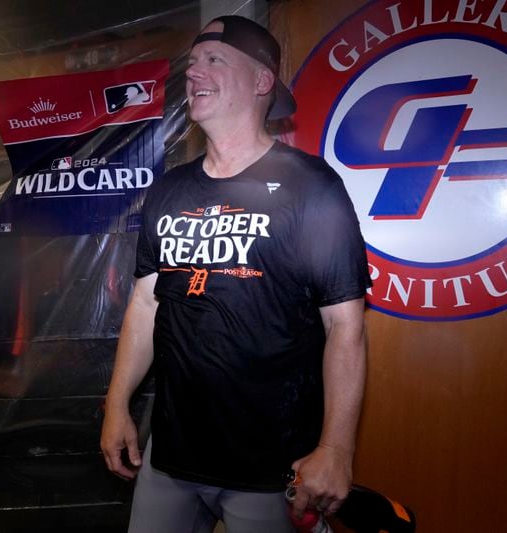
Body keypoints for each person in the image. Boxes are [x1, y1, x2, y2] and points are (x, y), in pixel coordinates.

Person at [100, 15, 370, 533]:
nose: (193, 71)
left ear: (262, 82)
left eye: (214, 59)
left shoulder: (310, 186)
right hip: (172, 454)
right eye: (193, 61)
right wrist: (116, 406)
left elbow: (345, 326)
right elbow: (146, 305)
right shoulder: (170, 189)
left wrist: (335, 448)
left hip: (272, 464)